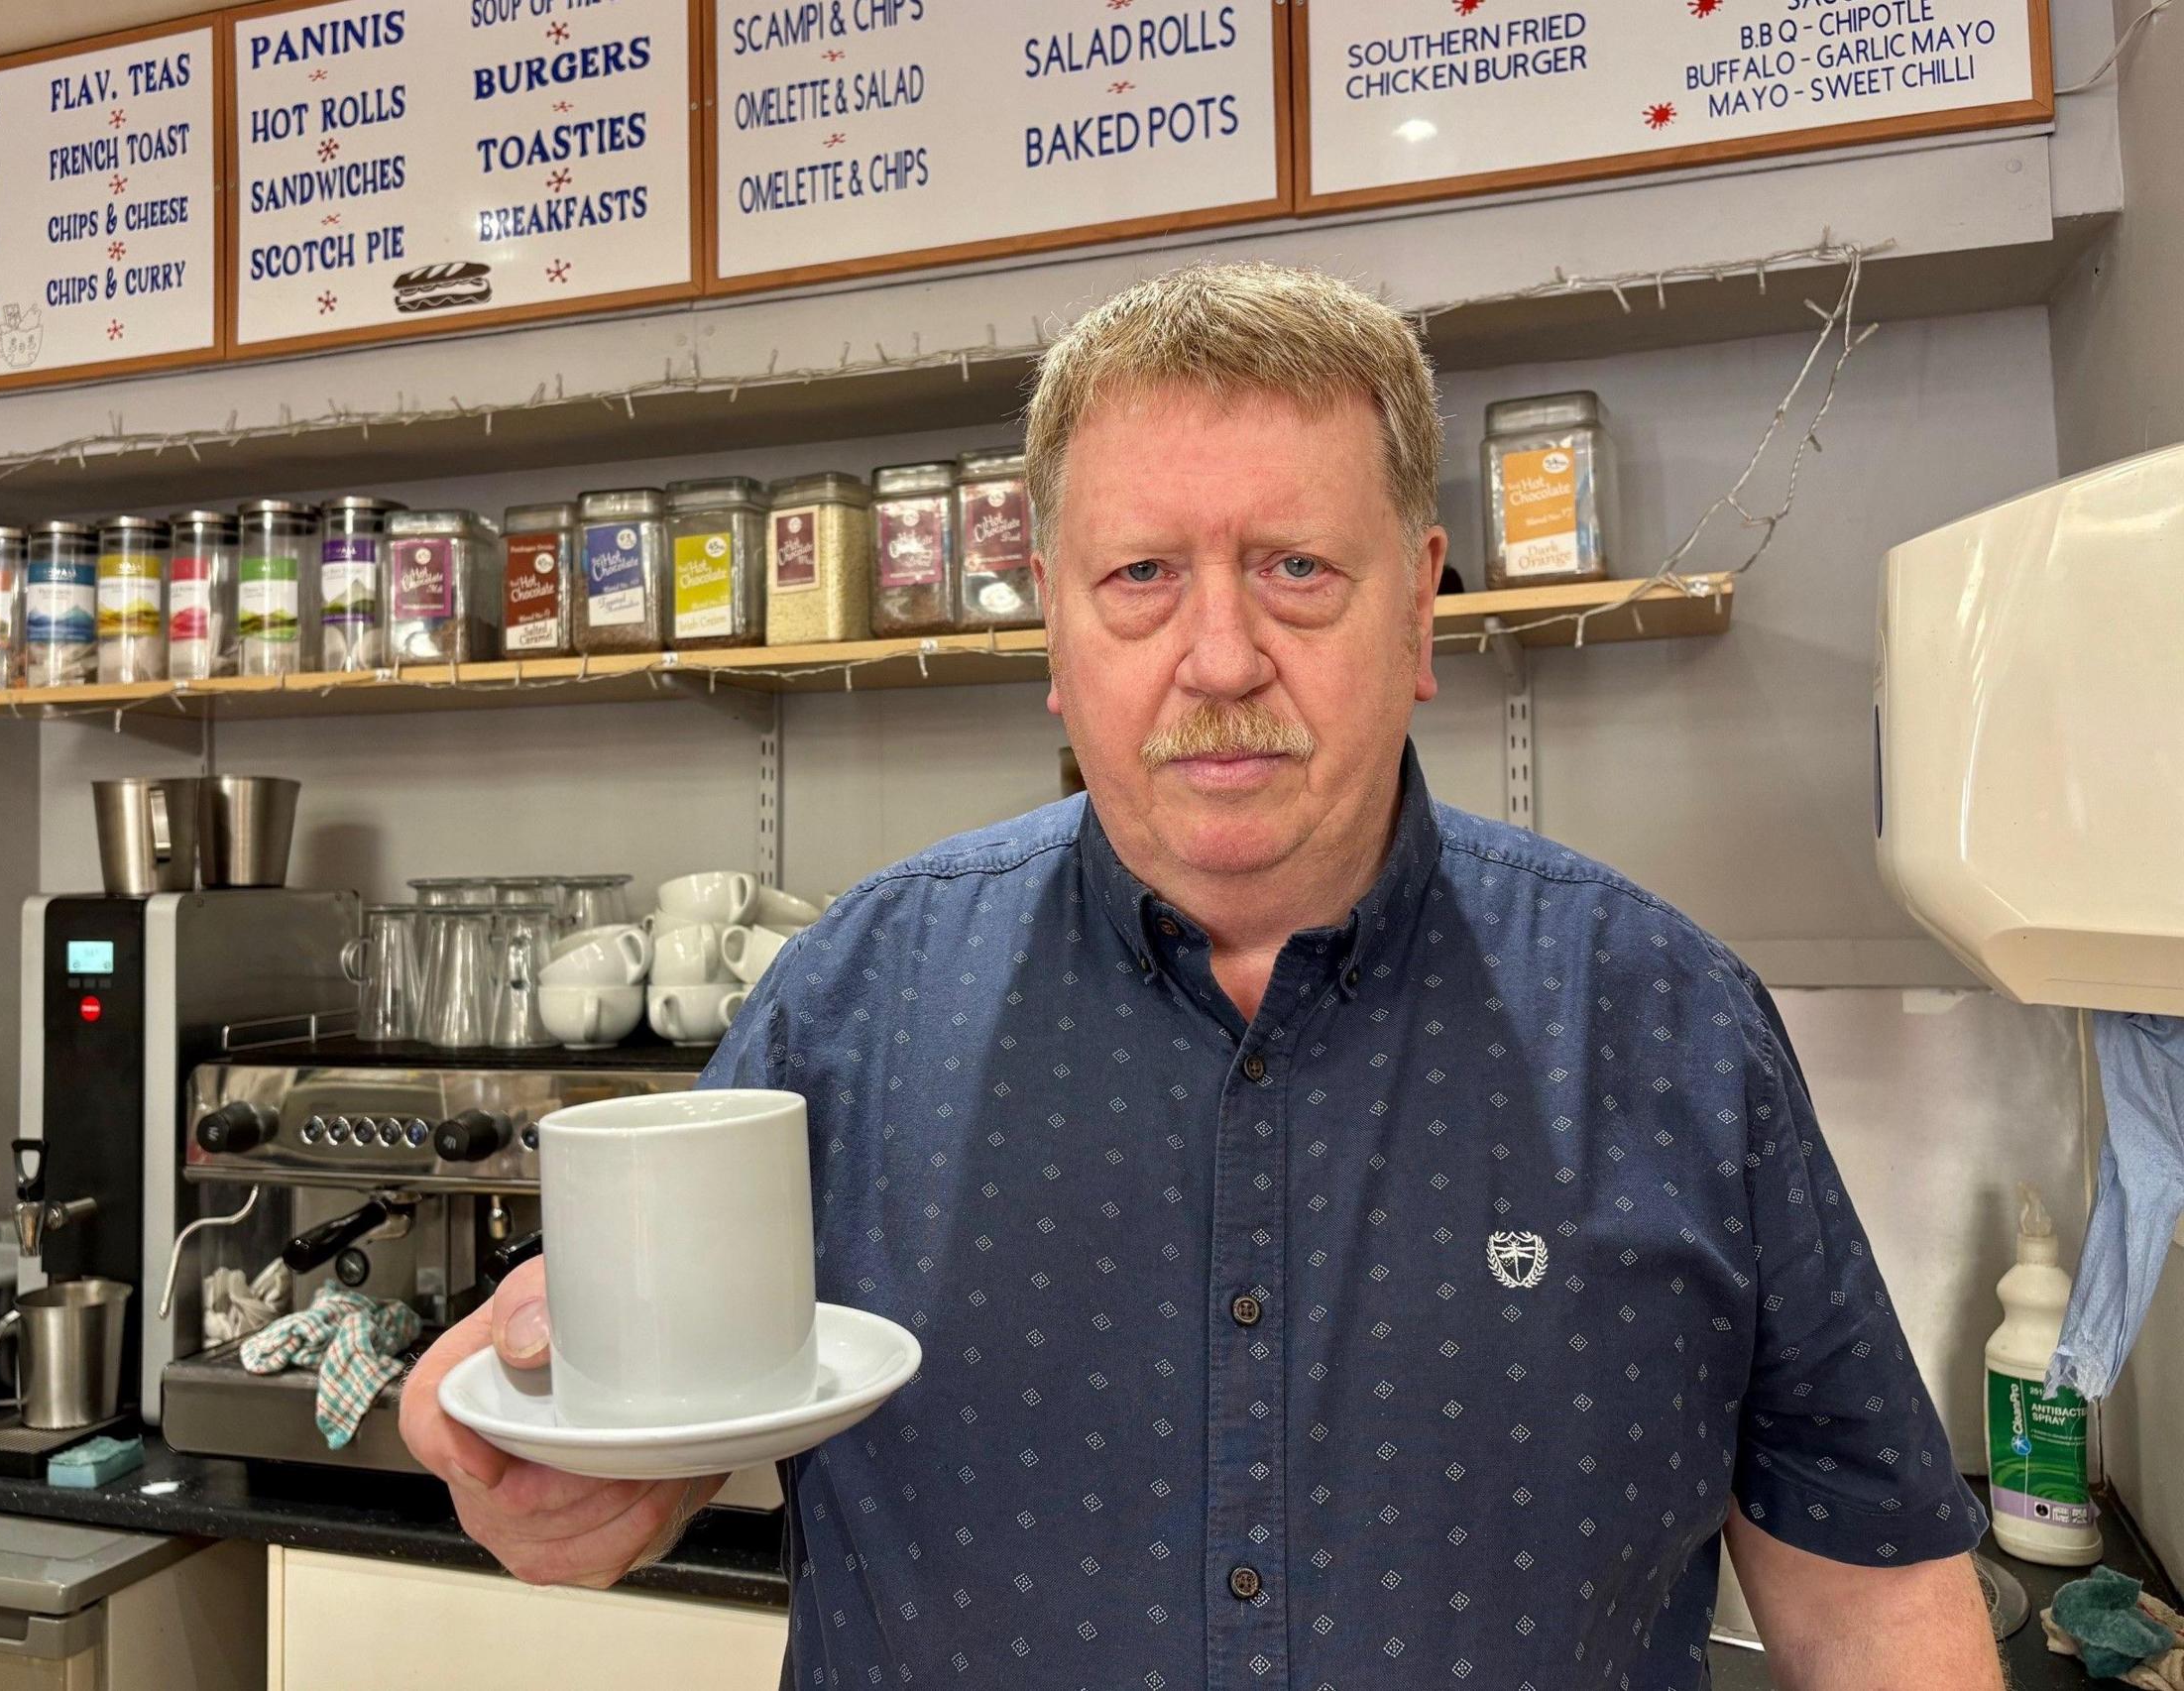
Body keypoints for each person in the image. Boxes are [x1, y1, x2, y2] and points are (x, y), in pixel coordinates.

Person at [404, 262, 2004, 1689]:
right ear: (1057, 632)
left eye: (1299, 567)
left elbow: (1869, 1594)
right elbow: (656, 1465)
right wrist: (558, 1466)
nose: (1222, 656)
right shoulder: (849, 1008)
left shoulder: (1671, 1021)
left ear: (1423, 605)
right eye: (1142, 576)